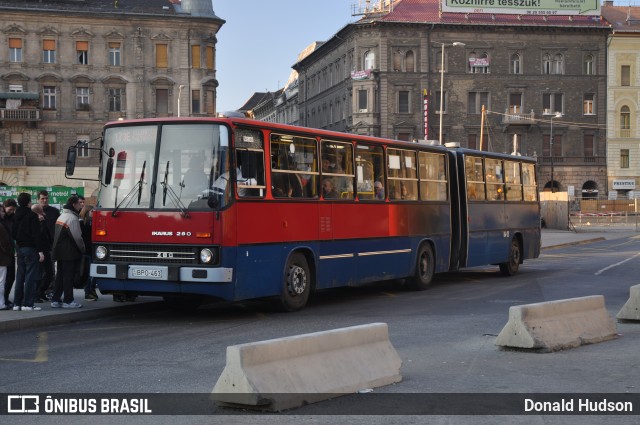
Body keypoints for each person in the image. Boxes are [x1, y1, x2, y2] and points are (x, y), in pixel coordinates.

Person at [13, 192, 46, 311]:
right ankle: (28, 304)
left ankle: (17, 303)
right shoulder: (32, 216)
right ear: (28, 203)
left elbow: (13, 232)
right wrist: (40, 251)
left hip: (19, 247)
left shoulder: (15, 215)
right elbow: (36, 235)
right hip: (30, 248)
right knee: (30, 277)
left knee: (20, 276)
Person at [51, 196, 85, 309]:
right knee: (68, 277)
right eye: (79, 204)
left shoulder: (62, 215)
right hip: (69, 253)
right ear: (74, 205)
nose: (81, 206)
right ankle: (68, 301)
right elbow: (77, 238)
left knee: (60, 276)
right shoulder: (72, 218)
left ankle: (55, 300)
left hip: (60, 252)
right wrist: (83, 249)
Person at [31, 203, 51, 303]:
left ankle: (41, 292)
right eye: (41, 211)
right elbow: (40, 235)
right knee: (40, 274)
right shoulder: (36, 221)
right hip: (40, 251)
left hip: (46, 249)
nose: (43, 213)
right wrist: (42, 222)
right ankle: (36, 294)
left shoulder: (42, 220)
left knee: (48, 273)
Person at [79, 205, 98, 301]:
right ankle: (89, 291)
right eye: (92, 211)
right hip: (88, 251)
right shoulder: (85, 223)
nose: (94, 213)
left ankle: (90, 290)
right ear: (87, 212)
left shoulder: (86, 222)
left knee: (90, 273)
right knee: (90, 273)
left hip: (88, 251)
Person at [2, 199, 17, 308]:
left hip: (10, 252)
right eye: (9, 209)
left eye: (13, 210)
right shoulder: (2, 220)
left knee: (11, 277)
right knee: (3, 279)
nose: (11, 211)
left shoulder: (13, 218)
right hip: (4, 254)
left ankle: (5, 298)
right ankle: (3, 300)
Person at [0, 205, 13, 310]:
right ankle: (1, 303)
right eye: (2, 212)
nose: (3, 213)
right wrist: (9, 253)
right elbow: (6, 243)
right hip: (2, 258)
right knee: (1, 282)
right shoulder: (1, 226)